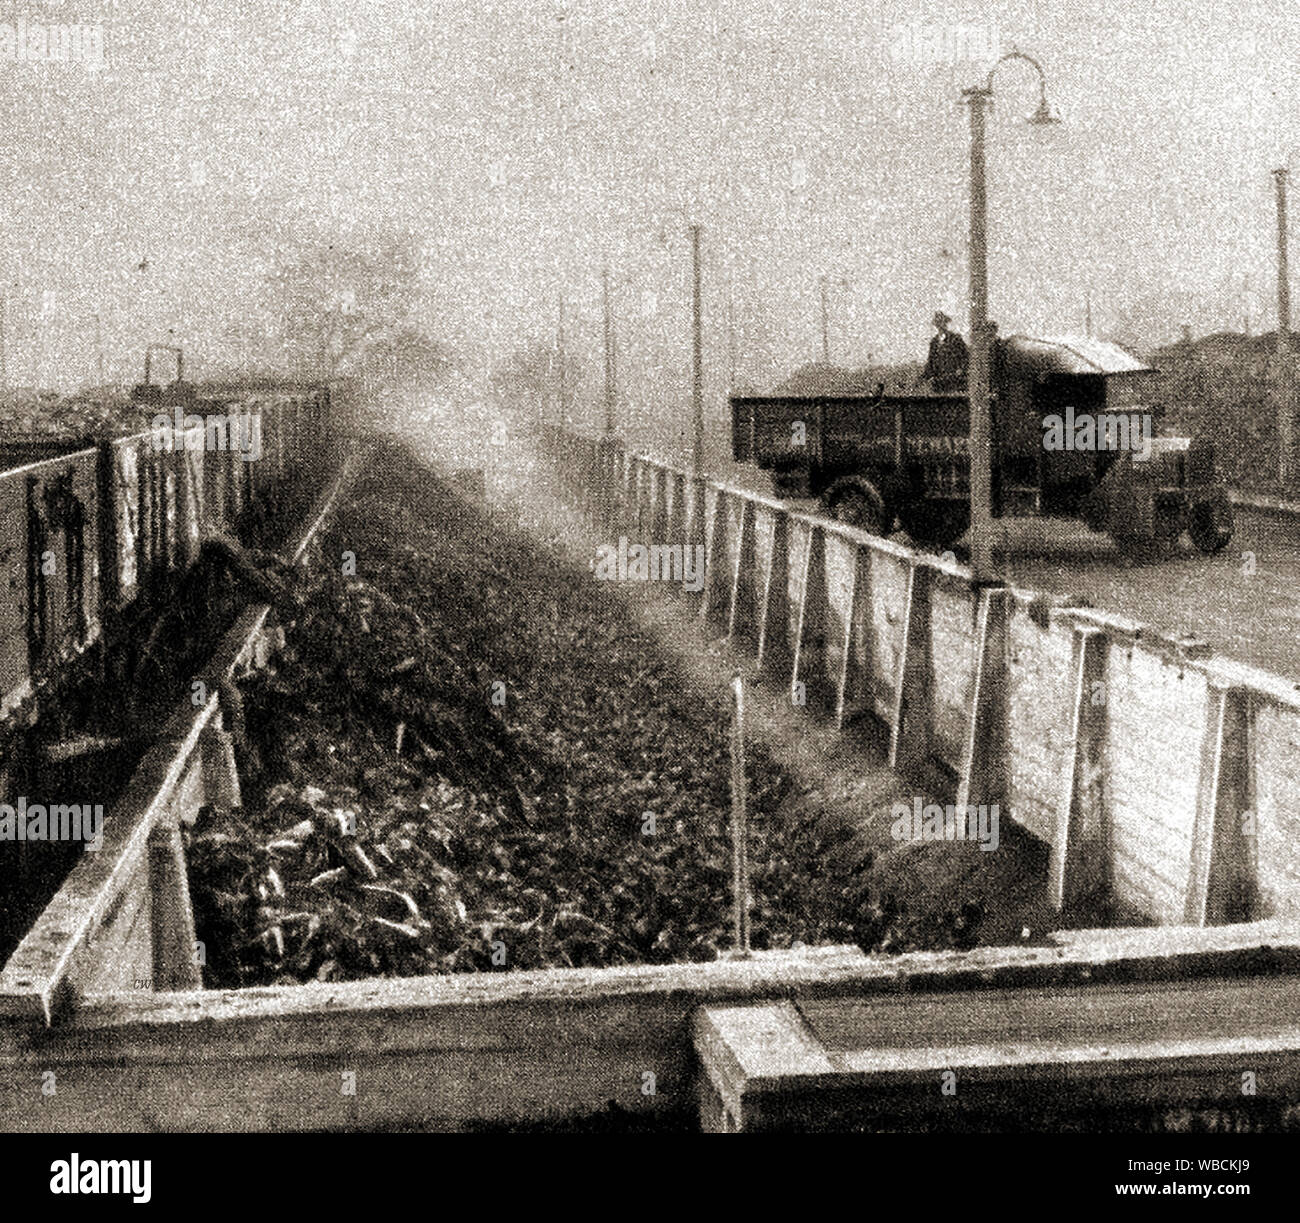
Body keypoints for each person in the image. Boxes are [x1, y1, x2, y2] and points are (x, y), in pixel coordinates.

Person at [923, 311, 969, 391]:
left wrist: (961, 370)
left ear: (946, 323)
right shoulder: (934, 342)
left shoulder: (955, 339)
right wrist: (924, 377)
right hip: (939, 381)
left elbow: (966, 356)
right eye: (938, 323)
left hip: (955, 380)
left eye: (942, 322)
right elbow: (931, 362)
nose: (940, 325)